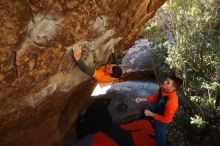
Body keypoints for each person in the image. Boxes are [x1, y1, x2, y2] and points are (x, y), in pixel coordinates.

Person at [135, 76, 182, 146]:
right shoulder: (163, 88)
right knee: (157, 127)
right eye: (166, 80)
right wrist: (143, 99)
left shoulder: (172, 101)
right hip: (158, 112)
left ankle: (159, 137)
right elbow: (156, 97)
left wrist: (151, 114)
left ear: (173, 88)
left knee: (161, 136)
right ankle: (157, 133)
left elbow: (166, 119)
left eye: (168, 82)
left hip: (163, 120)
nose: (164, 82)